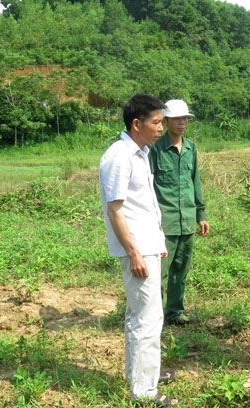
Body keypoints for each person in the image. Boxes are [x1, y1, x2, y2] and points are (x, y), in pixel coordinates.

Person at [99, 93, 182, 407]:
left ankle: (143, 374)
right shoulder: (118, 156)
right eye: (157, 122)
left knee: (143, 315)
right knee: (147, 318)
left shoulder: (140, 153)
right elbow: (116, 210)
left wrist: (155, 244)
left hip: (147, 245)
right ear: (137, 124)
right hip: (137, 249)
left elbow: (142, 206)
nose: (162, 128)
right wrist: (134, 252)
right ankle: (144, 391)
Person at [149, 99, 209, 326]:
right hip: (165, 222)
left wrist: (200, 215)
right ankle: (153, 315)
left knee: (180, 271)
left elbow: (195, 182)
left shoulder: (191, 147)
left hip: (187, 220)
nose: (182, 123)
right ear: (166, 121)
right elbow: (148, 185)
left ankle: (174, 312)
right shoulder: (155, 149)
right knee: (160, 273)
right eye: (177, 119)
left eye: (185, 118)